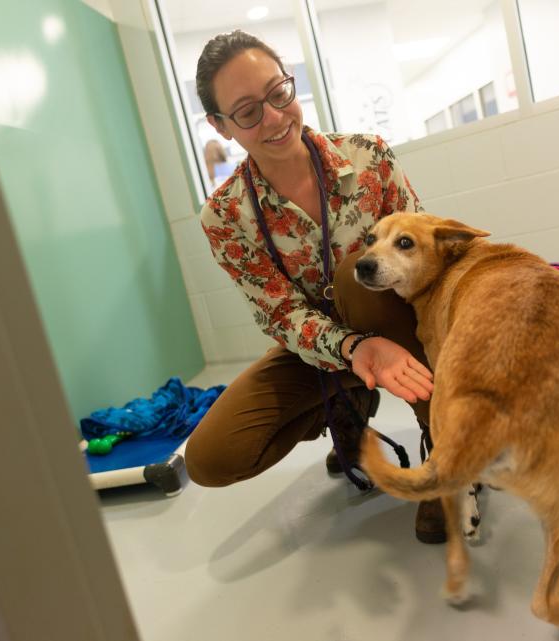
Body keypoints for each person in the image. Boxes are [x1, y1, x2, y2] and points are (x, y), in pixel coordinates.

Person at [185, 30, 446, 544]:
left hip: (404, 323)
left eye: (278, 93)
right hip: (321, 349)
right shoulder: (224, 215)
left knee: (358, 274)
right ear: (219, 125)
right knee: (212, 457)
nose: (275, 118)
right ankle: (348, 410)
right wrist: (352, 348)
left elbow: (425, 253)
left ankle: (446, 450)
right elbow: (280, 314)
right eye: (247, 111)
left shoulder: (369, 157)